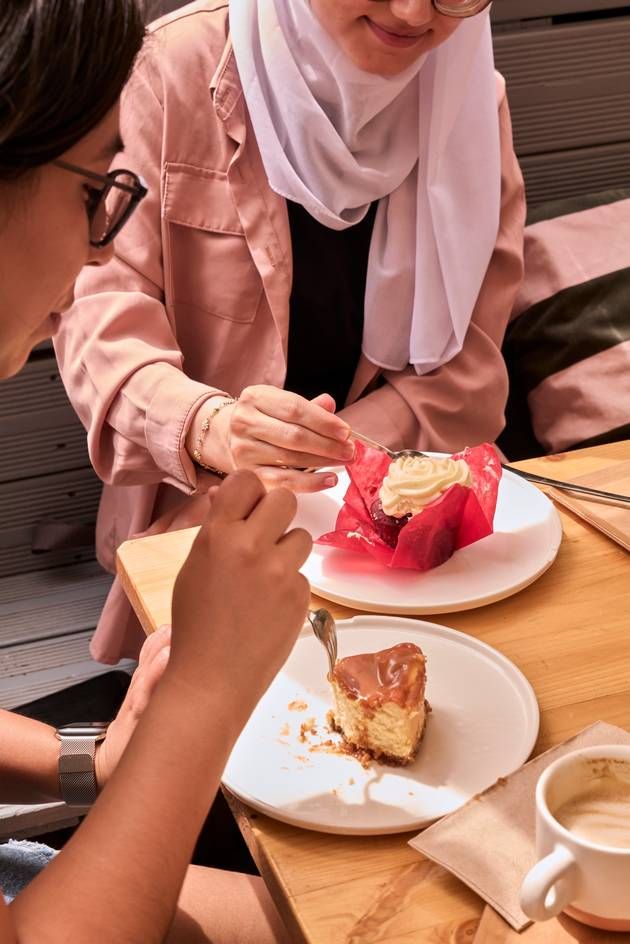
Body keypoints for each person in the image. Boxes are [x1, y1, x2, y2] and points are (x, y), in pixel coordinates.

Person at [54, 0, 526, 664]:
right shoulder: (170, 73)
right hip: (206, 509)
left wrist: (325, 459)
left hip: (403, 524)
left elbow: (470, 371)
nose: (415, 12)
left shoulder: (470, 93)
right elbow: (97, 323)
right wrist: (214, 427)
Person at [0, 2, 310, 940]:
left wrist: (82, 760)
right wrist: (204, 694)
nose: (101, 242)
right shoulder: (186, 67)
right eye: (93, 187)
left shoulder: (474, 109)